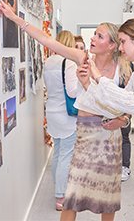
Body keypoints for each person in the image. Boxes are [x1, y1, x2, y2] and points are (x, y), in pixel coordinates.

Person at [0, 0, 131, 221]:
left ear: (112, 45)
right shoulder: (82, 58)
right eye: (94, 34)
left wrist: (124, 120)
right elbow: (48, 41)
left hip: (110, 139)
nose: (93, 38)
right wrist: (15, 19)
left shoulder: (123, 68)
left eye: (100, 36)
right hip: (86, 134)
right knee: (72, 196)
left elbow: (128, 105)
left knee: (108, 198)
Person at [77, 18, 134, 221]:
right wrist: (88, 85)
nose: (120, 47)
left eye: (123, 41)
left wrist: (99, 78)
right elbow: (118, 105)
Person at [43, 30, 78, 211]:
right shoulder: (69, 63)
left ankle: (58, 185)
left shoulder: (48, 62)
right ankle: (60, 196)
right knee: (66, 154)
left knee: (58, 151)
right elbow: (72, 91)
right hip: (66, 114)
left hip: (51, 111)